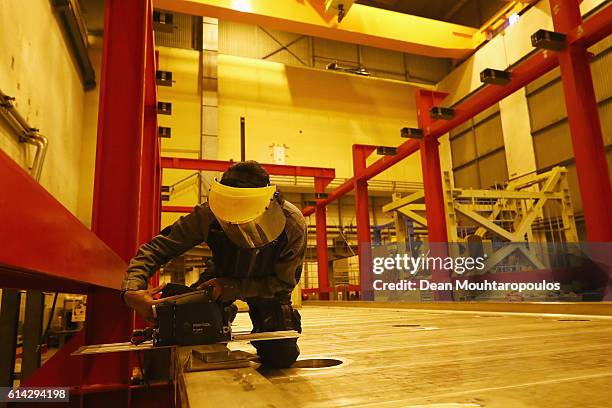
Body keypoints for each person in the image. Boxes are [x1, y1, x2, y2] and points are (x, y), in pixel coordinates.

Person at [120, 161, 306, 368]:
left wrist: (230, 288)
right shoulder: (208, 214)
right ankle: (222, 313)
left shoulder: (292, 224)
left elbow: (283, 283)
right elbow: (157, 249)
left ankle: (236, 316)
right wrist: (132, 289)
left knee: (280, 356)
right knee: (185, 330)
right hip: (215, 283)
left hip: (267, 291)